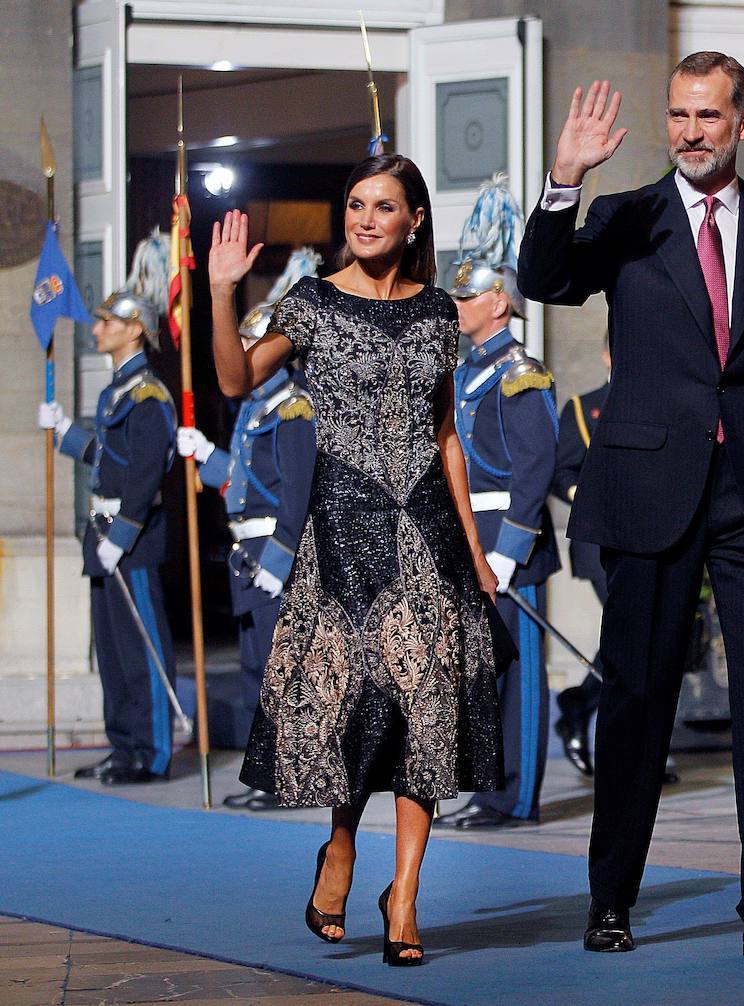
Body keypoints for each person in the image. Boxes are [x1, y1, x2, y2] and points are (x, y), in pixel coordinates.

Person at [518, 55, 744, 958]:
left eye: (709, 115)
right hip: (649, 492)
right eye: (678, 115)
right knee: (639, 698)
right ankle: (610, 899)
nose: (691, 130)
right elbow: (545, 280)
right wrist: (565, 180)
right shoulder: (628, 216)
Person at [208, 154, 509, 967]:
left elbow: (449, 436)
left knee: (428, 710)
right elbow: (235, 382)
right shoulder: (308, 302)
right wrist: (222, 291)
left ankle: (405, 896)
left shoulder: (440, 311)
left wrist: (478, 557)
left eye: (384, 207)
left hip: (431, 535)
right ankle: (340, 847)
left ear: (414, 220)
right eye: (355, 205)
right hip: (343, 528)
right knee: (354, 708)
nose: (367, 218)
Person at [435, 176, 561, 831]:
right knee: (481, 675)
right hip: (469, 542)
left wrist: (508, 552)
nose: (457, 304)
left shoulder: (521, 372)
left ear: (500, 304)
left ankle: (517, 795)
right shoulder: (464, 375)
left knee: (518, 678)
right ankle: (489, 788)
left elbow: (535, 467)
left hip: (510, 548)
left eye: (469, 294)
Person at [177, 248, 321, 809]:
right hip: (250, 550)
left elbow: (297, 492)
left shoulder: (292, 410)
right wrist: (209, 457)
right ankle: (264, 772)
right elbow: (245, 481)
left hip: (273, 553)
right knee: (255, 668)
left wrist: (281, 561)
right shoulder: (254, 412)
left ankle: (287, 776)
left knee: (283, 669)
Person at [38, 236, 179, 786]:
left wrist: (121, 534)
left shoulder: (149, 397)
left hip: (133, 540)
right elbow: (111, 459)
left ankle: (153, 752)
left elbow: (145, 476)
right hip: (104, 536)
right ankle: (123, 746)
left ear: (134, 329)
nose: (95, 329)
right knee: (114, 652)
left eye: (105, 322)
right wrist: (68, 435)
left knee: (142, 648)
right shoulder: (115, 394)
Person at [550, 343, 612, 776]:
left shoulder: (662, 400)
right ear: (607, 355)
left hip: (659, 539)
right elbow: (560, 472)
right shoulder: (583, 407)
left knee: (643, 638)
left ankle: (581, 701)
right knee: (632, 630)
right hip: (602, 540)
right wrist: (590, 496)